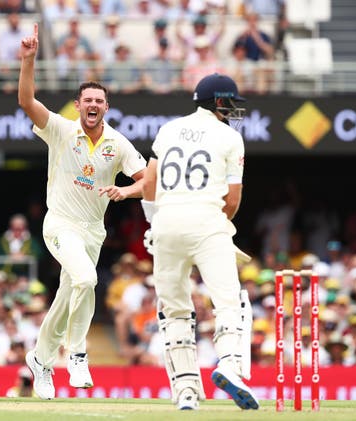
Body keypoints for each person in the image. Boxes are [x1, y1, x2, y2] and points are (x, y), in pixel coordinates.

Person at [18, 23, 147, 400]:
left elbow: (146, 180)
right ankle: (76, 353)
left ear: (106, 107)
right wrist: (29, 61)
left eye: (99, 101)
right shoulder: (60, 130)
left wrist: (125, 190)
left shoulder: (118, 143)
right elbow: (27, 102)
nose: (92, 106)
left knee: (68, 293)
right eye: (87, 100)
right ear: (78, 106)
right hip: (60, 223)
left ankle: (40, 360)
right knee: (87, 280)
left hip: (93, 230)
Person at [140, 73, 258, 410]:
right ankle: (231, 366)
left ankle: (186, 391)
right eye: (231, 102)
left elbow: (149, 183)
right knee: (228, 302)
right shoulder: (230, 137)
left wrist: (154, 221)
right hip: (208, 221)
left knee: (175, 309)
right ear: (219, 102)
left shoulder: (167, 129)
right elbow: (232, 201)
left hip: (165, 223)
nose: (234, 109)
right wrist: (215, 229)